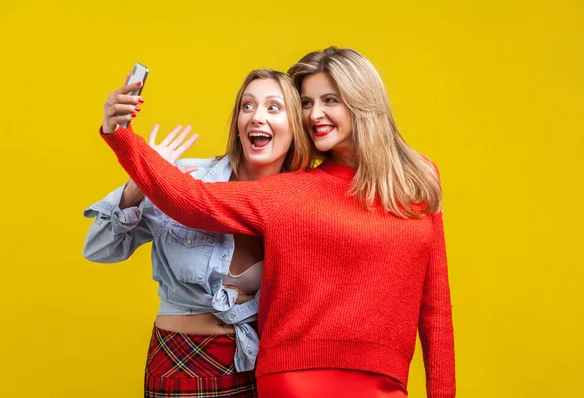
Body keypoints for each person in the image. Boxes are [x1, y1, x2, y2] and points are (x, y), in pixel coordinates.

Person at [98, 47, 456, 398]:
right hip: (295, 379)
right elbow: (194, 201)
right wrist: (123, 138)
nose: (315, 114)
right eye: (306, 102)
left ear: (362, 100)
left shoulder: (418, 178)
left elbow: (435, 303)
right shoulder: (293, 190)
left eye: (330, 100)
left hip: (383, 379)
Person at [83, 69, 313, 398]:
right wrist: (143, 178)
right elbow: (100, 249)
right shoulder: (188, 179)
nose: (256, 117)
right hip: (180, 364)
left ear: (296, 126)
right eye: (247, 106)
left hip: (260, 366)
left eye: (273, 108)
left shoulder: (303, 202)